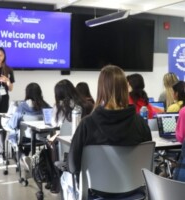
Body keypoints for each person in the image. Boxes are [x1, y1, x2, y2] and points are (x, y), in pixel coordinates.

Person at [61, 65, 152, 200]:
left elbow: (73, 167)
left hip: (97, 193)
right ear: (125, 88)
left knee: (64, 178)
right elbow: (148, 165)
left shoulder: (87, 124)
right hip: (135, 193)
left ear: (101, 89)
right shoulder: (141, 124)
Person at [6, 83, 50, 171]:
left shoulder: (22, 106)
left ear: (27, 93)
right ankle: (26, 160)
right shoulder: (45, 106)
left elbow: (12, 124)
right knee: (26, 140)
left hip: (25, 138)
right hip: (41, 138)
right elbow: (51, 120)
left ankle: (22, 157)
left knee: (13, 137)